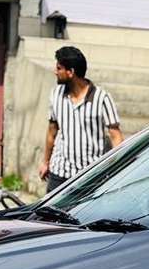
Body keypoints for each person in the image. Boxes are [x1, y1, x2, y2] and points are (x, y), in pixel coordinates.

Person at [40, 46, 124, 193]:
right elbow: (51, 132)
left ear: (70, 72)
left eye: (59, 68)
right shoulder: (56, 94)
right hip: (59, 174)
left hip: (89, 176)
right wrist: (45, 162)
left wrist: (117, 168)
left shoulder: (102, 98)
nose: (55, 72)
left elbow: (116, 137)